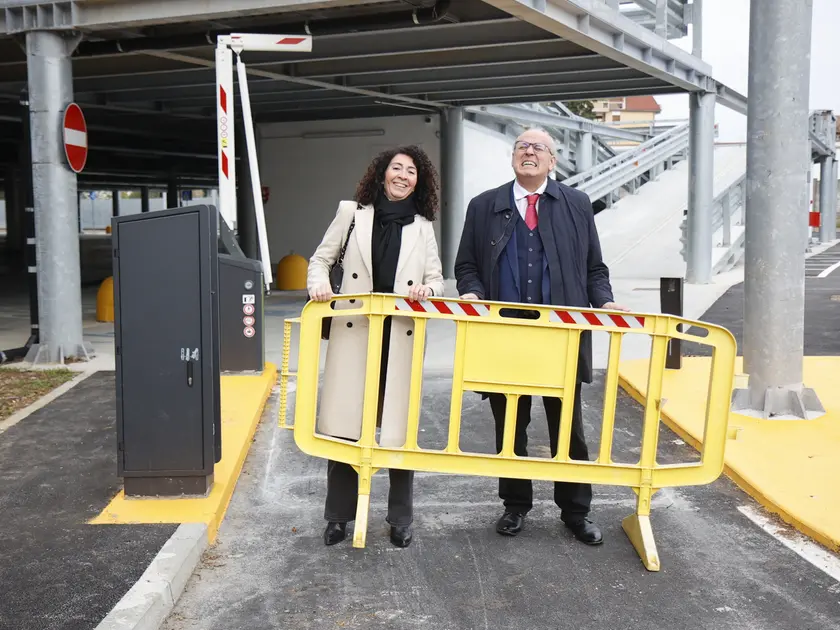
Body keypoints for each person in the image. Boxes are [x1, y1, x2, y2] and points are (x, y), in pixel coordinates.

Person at [454, 128, 630, 546]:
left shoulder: (576, 205)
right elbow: (466, 265)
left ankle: (576, 511)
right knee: (509, 425)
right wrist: (472, 292)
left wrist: (604, 304)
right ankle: (514, 506)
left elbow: (594, 269)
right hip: (506, 334)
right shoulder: (484, 206)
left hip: (562, 336)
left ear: (552, 161)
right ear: (513, 157)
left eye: (539, 148)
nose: (529, 152)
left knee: (567, 427)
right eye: (522, 146)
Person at [307, 145, 445, 549]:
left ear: (420, 182)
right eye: (396, 168)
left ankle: (400, 518)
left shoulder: (423, 227)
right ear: (382, 174)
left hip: (399, 338)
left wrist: (427, 289)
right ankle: (337, 518)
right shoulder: (352, 213)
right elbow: (320, 258)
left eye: (412, 171)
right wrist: (319, 283)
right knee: (346, 426)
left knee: (398, 431)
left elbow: (438, 279)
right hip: (355, 333)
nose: (403, 175)